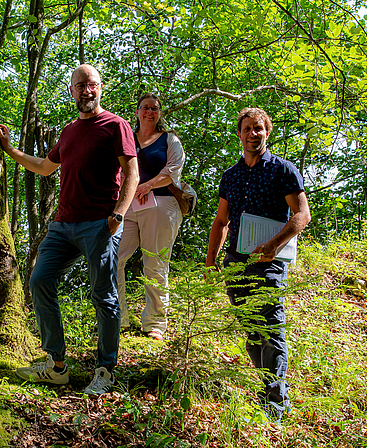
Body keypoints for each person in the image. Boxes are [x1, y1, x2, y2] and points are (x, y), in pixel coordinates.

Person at [0, 64, 139, 395]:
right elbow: (45, 168)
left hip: (99, 223)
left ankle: (106, 370)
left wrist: (118, 214)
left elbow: (132, 172)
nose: (86, 90)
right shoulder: (69, 131)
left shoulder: (115, 125)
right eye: (79, 85)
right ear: (72, 91)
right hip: (63, 224)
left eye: (91, 84)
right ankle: (57, 366)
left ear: (100, 88)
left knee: (103, 295)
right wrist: (9, 149)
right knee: (40, 280)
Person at [205, 107, 310, 420]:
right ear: (240, 134)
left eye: (259, 129)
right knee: (251, 331)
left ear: (268, 132)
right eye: (248, 128)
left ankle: (274, 405)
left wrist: (274, 244)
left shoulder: (283, 170)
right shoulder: (231, 175)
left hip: (269, 263)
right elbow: (221, 220)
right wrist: (211, 259)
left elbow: (301, 215)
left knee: (272, 328)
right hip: (235, 263)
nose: (253, 134)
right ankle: (269, 390)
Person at [116, 94, 185, 340]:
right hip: (127, 206)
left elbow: (173, 170)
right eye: (145, 108)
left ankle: (155, 323)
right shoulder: (126, 139)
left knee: (155, 262)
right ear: (137, 112)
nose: (149, 112)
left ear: (159, 113)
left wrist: (147, 185)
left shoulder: (170, 140)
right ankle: (119, 318)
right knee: (114, 257)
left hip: (161, 204)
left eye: (154, 108)